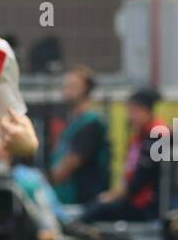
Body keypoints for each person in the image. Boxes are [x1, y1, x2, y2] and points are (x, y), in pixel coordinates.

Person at [81, 88, 165, 223]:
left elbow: (138, 180)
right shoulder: (139, 136)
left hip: (145, 205)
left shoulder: (155, 137)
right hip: (133, 199)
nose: (130, 117)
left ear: (145, 111)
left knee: (95, 212)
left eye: (133, 111)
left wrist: (113, 196)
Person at [48, 65, 110, 206]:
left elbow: (70, 163)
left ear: (85, 89)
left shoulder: (92, 123)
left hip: (83, 202)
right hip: (65, 200)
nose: (66, 90)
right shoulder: (73, 124)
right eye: (65, 85)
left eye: (72, 85)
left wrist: (42, 183)